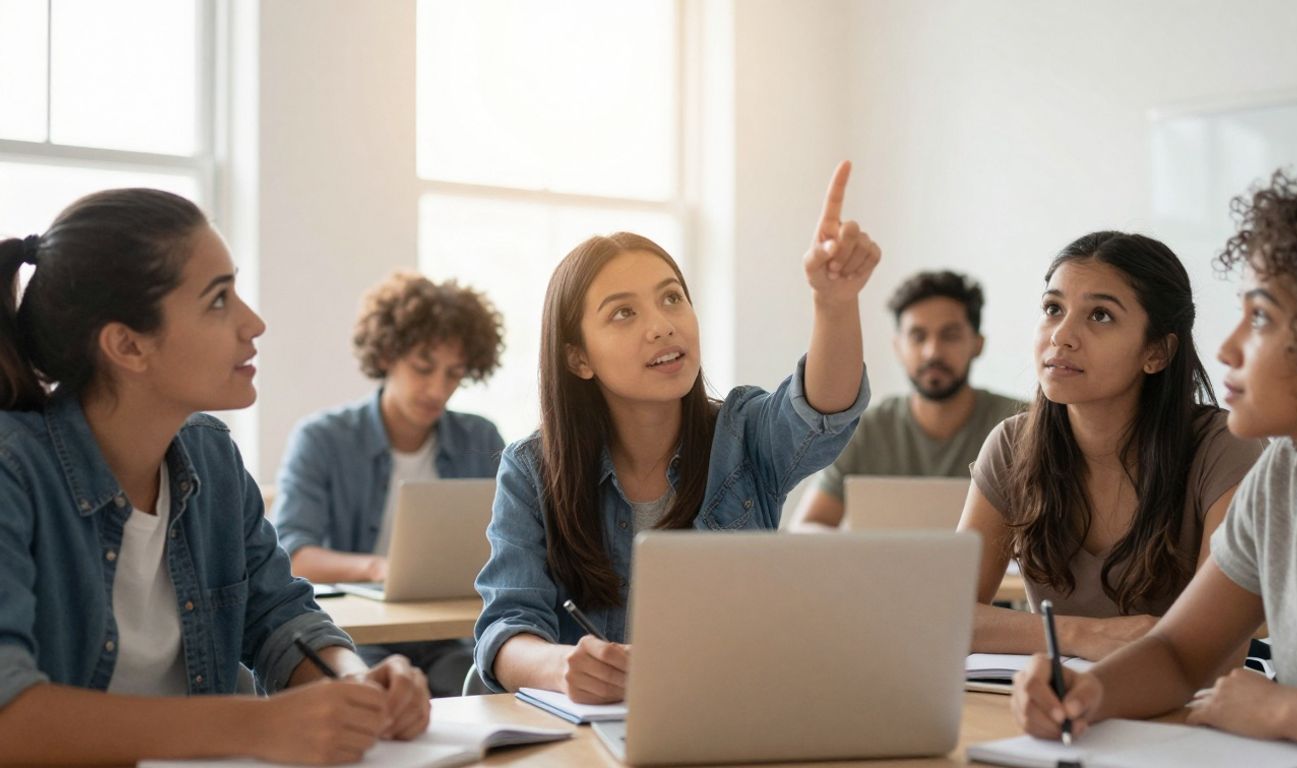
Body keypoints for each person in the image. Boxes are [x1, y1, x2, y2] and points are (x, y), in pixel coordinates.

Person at [0, 189, 428, 765]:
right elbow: (10, 716)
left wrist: (355, 681)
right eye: (218, 300)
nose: (254, 322)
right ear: (127, 344)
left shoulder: (212, 457)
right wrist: (258, 725)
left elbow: (280, 616)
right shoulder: (13, 472)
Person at [474, 161, 878, 703]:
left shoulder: (743, 433)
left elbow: (823, 412)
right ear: (577, 358)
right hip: (591, 739)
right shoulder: (531, 470)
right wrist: (562, 666)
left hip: (731, 715)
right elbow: (506, 628)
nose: (662, 324)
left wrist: (835, 304)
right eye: (623, 313)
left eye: (671, 298)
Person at [1010, 169, 1297, 764]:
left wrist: (1285, 709)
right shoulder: (1284, 477)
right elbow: (1181, 653)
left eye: (1259, 318)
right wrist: (1091, 691)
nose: (1225, 349)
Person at [958, 231, 1264, 660]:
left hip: (1188, 708)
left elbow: (1217, 647)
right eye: (1053, 308)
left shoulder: (1224, 447)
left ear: (1157, 352)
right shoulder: (1011, 445)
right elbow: (951, 616)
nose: (1061, 335)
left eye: (1099, 315)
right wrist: (1080, 636)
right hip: (1058, 701)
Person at [273, 271, 505, 695]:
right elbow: (293, 555)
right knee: (377, 695)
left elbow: (508, 547)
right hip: (360, 638)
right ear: (385, 355)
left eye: (454, 374)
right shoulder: (322, 438)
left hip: (451, 635)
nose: (438, 388)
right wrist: (379, 570)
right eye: (423, 367)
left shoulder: (480, 439)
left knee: (482, 688)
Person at [792, 270, 1023, 529]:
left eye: (950, 335)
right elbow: (807, 525)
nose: (932, 351)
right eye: (917, 336)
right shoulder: (866, 429)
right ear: (898, 347)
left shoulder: (1023, 426)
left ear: (977, 344)